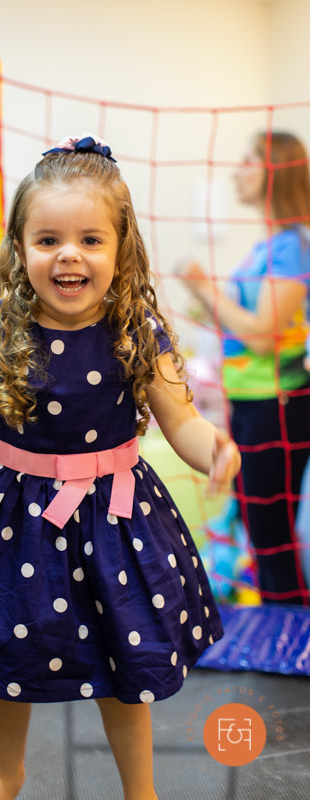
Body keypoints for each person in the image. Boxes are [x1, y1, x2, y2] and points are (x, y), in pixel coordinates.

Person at [0, 133, 241, 800]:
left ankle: (141, 789)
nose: (67, 253)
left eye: (88, 240)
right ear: (20, 250)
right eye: (47, 240)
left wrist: (212, 446)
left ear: (118, 249)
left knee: (122, 654)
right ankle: (7, 775)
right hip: (9, 516)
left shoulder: (137, 332)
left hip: (113, 519)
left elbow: (181, 421)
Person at [176, 131, 310, 606]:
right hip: (252, 401)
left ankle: (290, 636)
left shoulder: (292, 246)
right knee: (259, 525)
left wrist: (205, 290)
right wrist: (210, 307)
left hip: (277, 403)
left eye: (249, 160)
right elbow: (249, 325)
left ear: (275, 169)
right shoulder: (270, 245)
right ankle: (286, 625)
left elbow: (261, 334)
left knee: (270, 530)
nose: (238, 171)